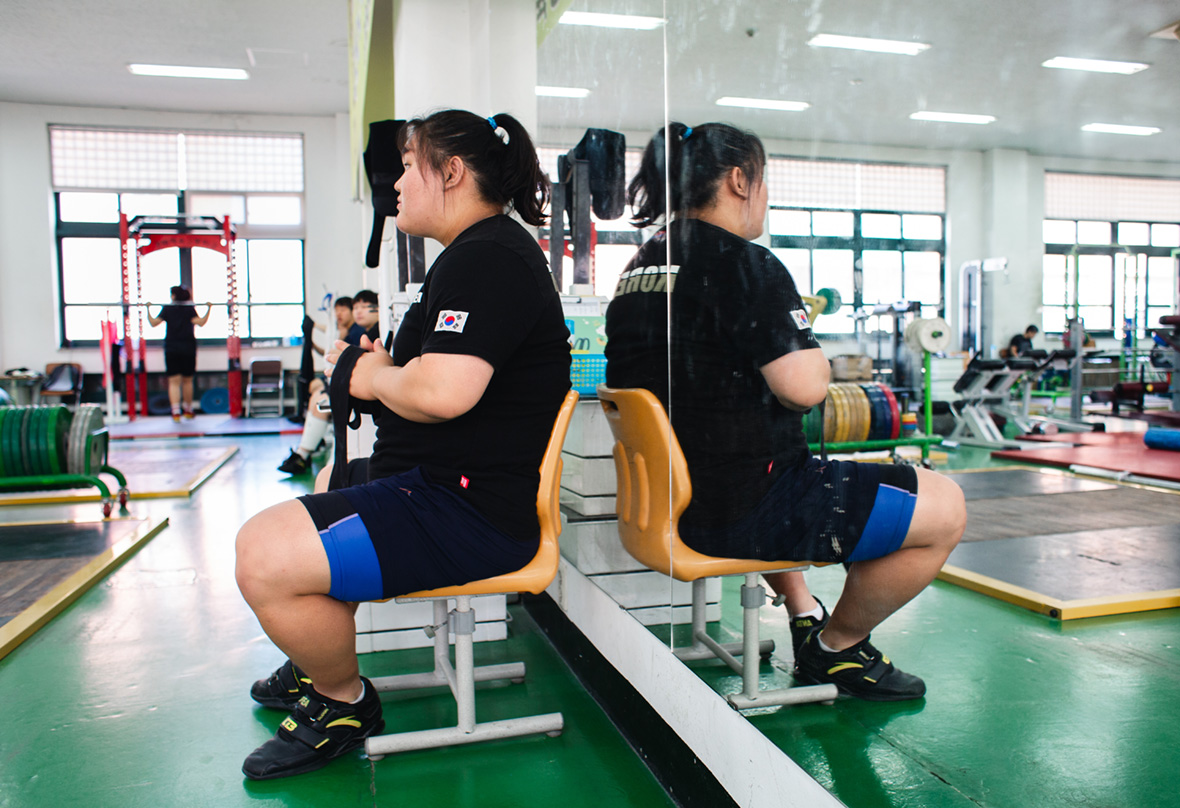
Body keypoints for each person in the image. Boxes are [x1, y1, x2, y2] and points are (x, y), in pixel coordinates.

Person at [235, 109, 570, 780]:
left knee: (262, 556)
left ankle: (342, 702)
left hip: (467, 512)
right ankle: (318, 658)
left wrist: (372, 376)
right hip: (435, 485)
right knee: (334, 483)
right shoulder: (471, 256)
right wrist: (378, 371)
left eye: (410, 168)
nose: (396, 185)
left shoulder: (491, 258)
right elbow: (418, 374)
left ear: (452, 172)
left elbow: (443, 390)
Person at [604, 123, 965, 702]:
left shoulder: (639, 267)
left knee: (762, 454)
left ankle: (804, 614)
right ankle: (837, 648)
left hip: (669, 504)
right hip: (741, 511)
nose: (765, 196)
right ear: (739, 180)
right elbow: (807, 390)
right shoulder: (745, 263)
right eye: (763, 180)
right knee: (945, 506)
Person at [279, 292, 377, 475]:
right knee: (317, 394)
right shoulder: (357, 332)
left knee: (319, 398)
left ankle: (305, 455)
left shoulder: (364, 334)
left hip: (361, 389)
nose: (358, 312)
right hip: (352, 384)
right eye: (356, 307)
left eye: (363, 307)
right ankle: (304, 453)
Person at [147, 286, 211, 421]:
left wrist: (148, 309)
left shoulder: (168, 309)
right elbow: (201, 322)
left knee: (174, 381)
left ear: (174, 296)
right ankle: (187, 409)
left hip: (172, 349)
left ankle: (176, 411)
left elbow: (153, 323)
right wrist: (209, 308)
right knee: (187, 381)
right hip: (188, 348)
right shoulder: (188, 309)